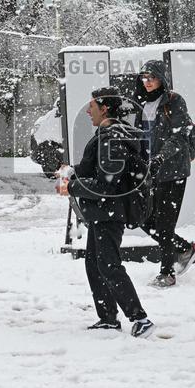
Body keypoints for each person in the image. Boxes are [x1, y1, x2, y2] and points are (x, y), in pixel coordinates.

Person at [58, 86, 155, 338]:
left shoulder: (111, 137)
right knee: (95, 264)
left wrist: (73, 186)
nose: (89, 111)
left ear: (104, 108)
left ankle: (140, 318)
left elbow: (107, 183)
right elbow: (99, 170)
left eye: (92, 106)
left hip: (109, 212)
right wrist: (73, 172)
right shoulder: (108, 134)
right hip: (103, 212)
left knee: (109, 265)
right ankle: (108, 317)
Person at [133, 60, 195, 288]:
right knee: (143, 218)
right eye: (144, 77)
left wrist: (161, 157)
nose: (148, 81)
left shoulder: (173, 101)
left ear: (162, 78)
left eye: (152, 77)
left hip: (173, 170)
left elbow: (180, 135)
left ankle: (167, 272)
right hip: (151, 172)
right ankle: (184, 248)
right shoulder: (142, 103)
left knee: (164, 223)